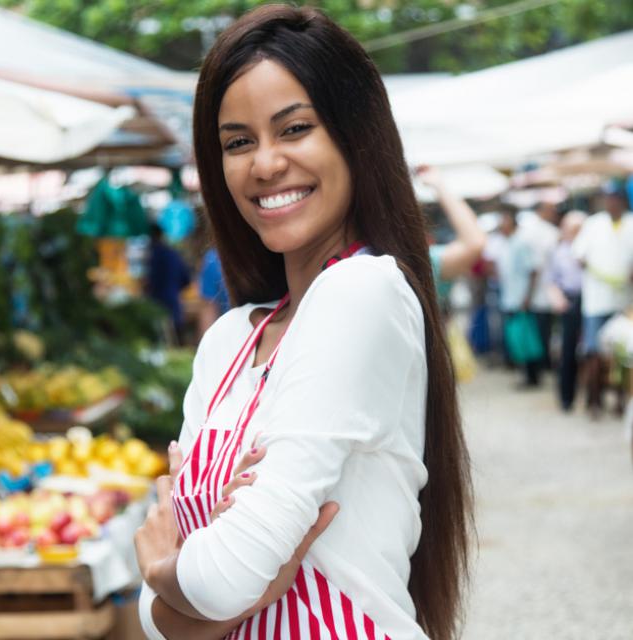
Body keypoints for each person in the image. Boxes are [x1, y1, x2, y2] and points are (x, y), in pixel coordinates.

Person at [134, 7, 471, 640]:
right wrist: (187, 583)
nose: (265, 164)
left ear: (355, 135)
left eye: (294, 129)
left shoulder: (363, 292)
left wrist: (166, 569)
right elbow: (157, 624)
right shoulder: (230, 341)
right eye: (238, 142)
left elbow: (216, 580)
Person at [572, 183, 633, 417]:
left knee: (622, 354)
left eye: (615, 198)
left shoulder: (630, 223)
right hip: (596, 302)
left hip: (623, 302)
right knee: (594, 353)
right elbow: (578, 255)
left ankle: (620, 401)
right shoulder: (593, 224)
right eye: (608, 198)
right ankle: (594, 400)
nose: (611, 202)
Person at [416, 166, 486, 308]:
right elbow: (475, 243)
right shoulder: (416, 263)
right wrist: (439, 185)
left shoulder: (418, 263)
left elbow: (475, 244)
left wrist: (439, 185)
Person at [493, 205, 542, 387]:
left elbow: (533, 270)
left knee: (527, 339)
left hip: (521, 299)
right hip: (510, 298)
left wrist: (527, 297)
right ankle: (526, 374)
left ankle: (533, 376)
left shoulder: (521, 243)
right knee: (517, 339)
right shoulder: (504, 243)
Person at [547, 210, 587, 411]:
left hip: (590, 301)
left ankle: (590, 397)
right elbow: (551, 281)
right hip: (569, 301)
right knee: (568, 351)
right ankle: (566, 398)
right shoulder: (559, 251)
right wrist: (558, 300)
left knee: (590, 351)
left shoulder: (589, 248)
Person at [519, 201, 560, 371]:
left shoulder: (536, 231)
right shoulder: (542, 232)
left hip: (541, 292)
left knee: (540, 331)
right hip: (537, 291)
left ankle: (539, 366)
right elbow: (534, 268)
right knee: (538, 331)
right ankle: (539, 366)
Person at [145, 222, 192, 341]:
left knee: (164, 341)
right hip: (174, 305)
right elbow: (186, 279)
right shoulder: (173, 253)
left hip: (159, 306)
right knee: (178, 340)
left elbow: (152, 281)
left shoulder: (155, 254)